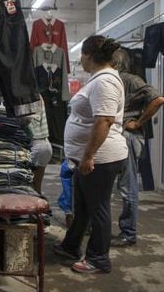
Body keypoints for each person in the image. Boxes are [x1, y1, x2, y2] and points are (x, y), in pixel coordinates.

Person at [52, 35, 128, 274]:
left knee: (98, 209)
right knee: (83, 207)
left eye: (81, 56)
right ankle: (71, 245)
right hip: (89, 158)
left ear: (88, 56)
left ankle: (98, 259)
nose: (80, 60)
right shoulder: (99, 79)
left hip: (100, 159)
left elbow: (104, 121)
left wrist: (88, 156)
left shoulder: (104, 82)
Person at [110, 49, 164, 247]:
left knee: (127, 185)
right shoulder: (116, 79)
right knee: (121, 185)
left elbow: (158, 99)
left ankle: (128, 233)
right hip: (121, 135)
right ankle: (125, 231)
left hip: (128, 136)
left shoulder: (130, 79)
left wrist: (138, 122)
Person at [27, 95, 53, 195]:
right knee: (35, 188)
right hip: (43, 144)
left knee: (29, 189)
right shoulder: (36, 94)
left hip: (36, 145)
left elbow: (26, 119)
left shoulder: (27, 95)